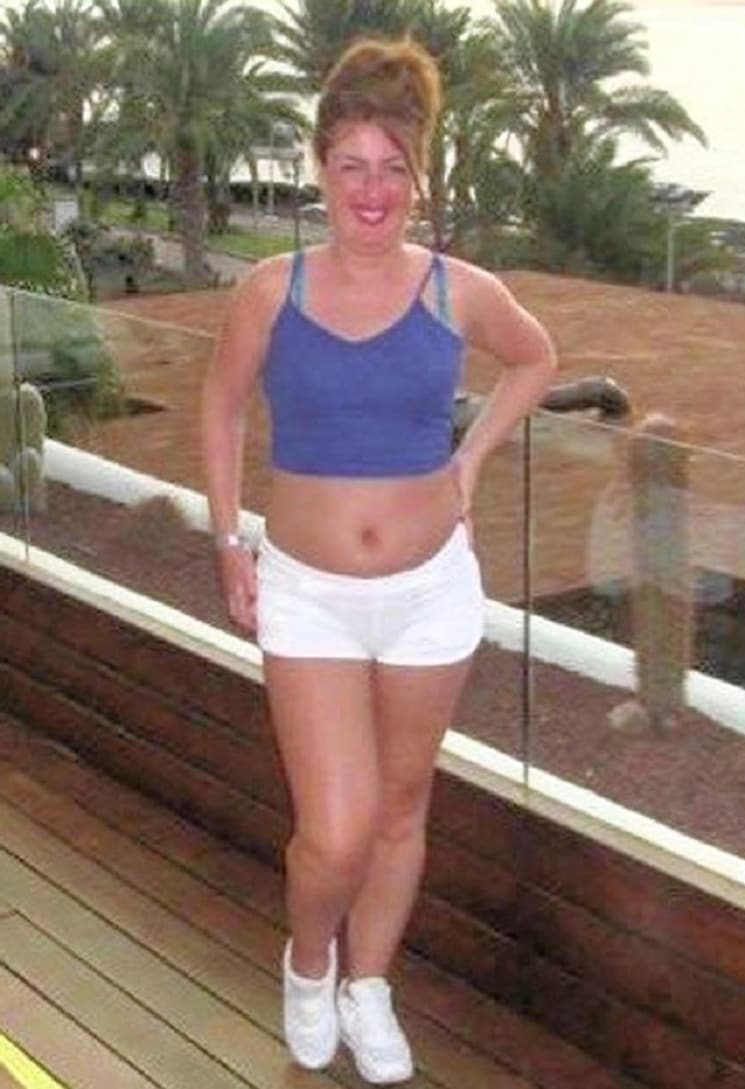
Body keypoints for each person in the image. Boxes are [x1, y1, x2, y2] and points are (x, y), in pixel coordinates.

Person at [201, 36, 556, 1086]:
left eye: (392, 166)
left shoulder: (457, 292)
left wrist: (469, 462)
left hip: (429, 595)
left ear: (419, 175)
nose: (371, 188)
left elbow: (535, 357)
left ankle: (370, 986)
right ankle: (310, 962)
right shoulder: (270, 290)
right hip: (307, 595)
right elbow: (221, 408)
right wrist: (227, 538)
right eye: (351, 163)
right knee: (335, 829)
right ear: (320, 166)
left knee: (401, 812)